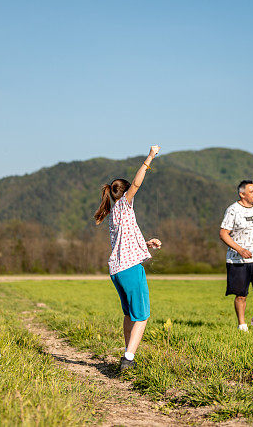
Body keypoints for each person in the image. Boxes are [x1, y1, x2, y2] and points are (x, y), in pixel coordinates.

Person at [94, 145, 162, 372]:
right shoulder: (124, 204)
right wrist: (150, 157)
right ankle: (129, 358)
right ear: (123, 194)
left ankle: (127, 353)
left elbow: (124, 243)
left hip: (117, 270)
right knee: (142, 316)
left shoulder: (115, 213)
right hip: (130, 269)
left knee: (129, 315)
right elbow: (136, 183)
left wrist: (145, 243)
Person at [219, 180, 253, 332]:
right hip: (237, 260)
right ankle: (242, 325)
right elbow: (223, 233)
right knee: (241, 295)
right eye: (251, 191)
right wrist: (240, 249)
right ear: (242, 194)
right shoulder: (233, 210)